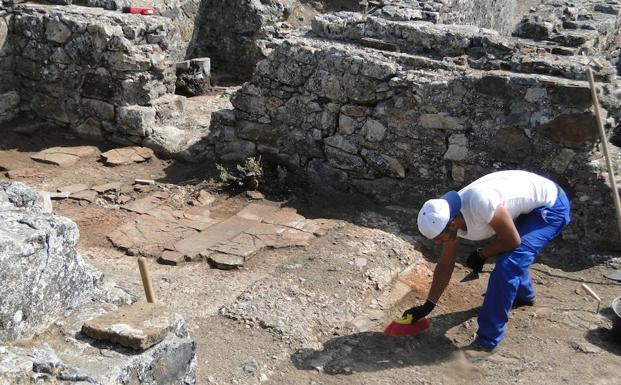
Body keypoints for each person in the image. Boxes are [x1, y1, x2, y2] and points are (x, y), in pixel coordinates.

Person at [404, 170, 571, 351]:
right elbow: (446, 262)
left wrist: (483, 253)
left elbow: (512, 240)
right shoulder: (448, 214)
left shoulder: (480, 203)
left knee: (508, 264)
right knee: (510, 255)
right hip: (524, 203)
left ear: (452, 224)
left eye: (438, 238)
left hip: (550, 206)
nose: (437, 242)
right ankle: (524, 296)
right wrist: (428, 305)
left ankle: (487, 340)